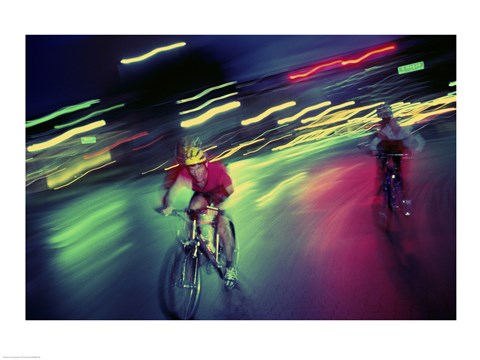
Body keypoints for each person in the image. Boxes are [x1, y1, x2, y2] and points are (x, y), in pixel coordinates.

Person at [163, 145, 238, 288]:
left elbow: (233, 194)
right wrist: (168, 205)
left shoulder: (218, 171)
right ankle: (202, 243)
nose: (195, 172)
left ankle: (230, 267)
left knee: (223, 227)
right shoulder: (185, 173)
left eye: (198, 167)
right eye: (191, 168)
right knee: (193, 208)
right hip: (203, 194)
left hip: (220, 194)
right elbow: (172, 192)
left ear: (205, 164)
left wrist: (220, 208)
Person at [369, 103, 425, 214]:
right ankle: (382, 192)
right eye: (383, 115)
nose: (386, 118)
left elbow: (420, 140)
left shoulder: (405, 129)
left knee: (399, 176)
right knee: (382, 172)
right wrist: (374, 150)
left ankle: (405, 202)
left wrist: (415, 150)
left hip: (398, 151)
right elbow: (375, 142)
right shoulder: (384, 129)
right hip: (386, 150)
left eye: (387, 114)